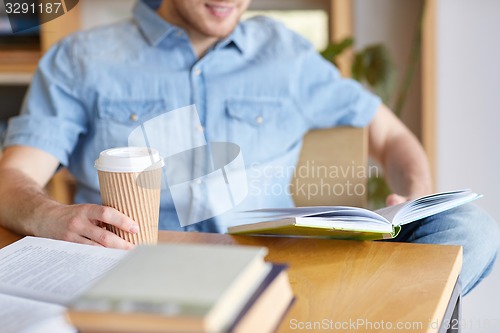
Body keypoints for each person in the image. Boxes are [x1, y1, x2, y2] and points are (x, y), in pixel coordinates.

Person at [0, 0, 498, 295]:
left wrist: (411, 199)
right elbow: (12, 178)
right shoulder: (82, 58)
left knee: (468, 226)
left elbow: (391, 136)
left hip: (274, 270)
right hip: (136, 271)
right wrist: (50, 217)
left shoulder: (286, 55)